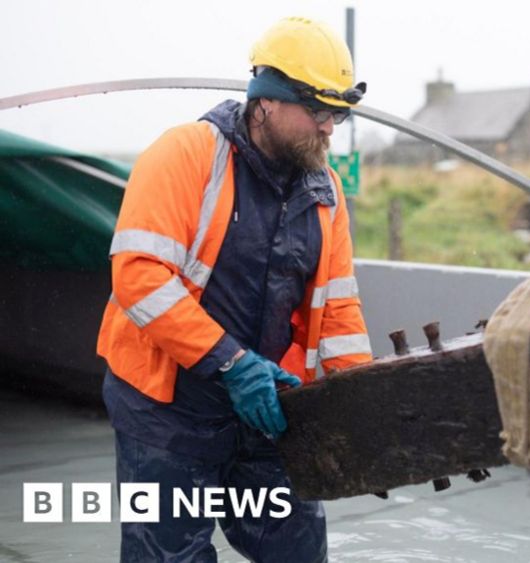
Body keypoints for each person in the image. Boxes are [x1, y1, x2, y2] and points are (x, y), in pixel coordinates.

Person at [96, 16, 372, 562]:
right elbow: (140, 278)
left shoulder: (326, 191)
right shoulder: (185, 155)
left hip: (265, 407)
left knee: (295, 550)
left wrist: (359, 405)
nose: (328, 128)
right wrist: (232, 363)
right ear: (265, 102)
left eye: (336, 114)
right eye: (317, 111)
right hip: (167, 411)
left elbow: (338, 308)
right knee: (169, 554)